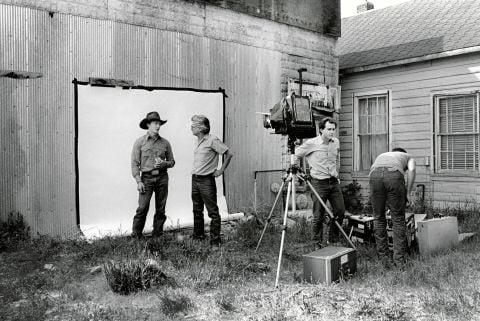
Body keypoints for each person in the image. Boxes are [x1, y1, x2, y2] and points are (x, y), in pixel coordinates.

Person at [295, 117, 344, 246]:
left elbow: (337, 158)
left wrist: (337, 172)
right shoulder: (312, 143)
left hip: (333, 182)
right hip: (318, 183)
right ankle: (317, 243)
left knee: (340, 211)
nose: (332, 132)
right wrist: (298, 171)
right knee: (318, 215)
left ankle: (333, 240)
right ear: (321, 130)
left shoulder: (336, 142)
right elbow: (296, 154)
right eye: (329, 129)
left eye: (333, 129)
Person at [131, 111, 175, 239]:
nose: (158, 126)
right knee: (142, 208)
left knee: (160, 209)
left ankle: (157, 237)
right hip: (147, 179)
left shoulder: (165, 143)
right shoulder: (139, 142)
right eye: (155, 123)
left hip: (162, 178)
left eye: (159, 124)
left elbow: (172, 162)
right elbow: (134, 164)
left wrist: (164, 164)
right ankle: (136, 238)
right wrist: (139, 181)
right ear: (148, 125)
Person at [190, 115, 233, 246]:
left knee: (212, 212)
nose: (191, 127)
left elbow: (229, 153)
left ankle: (215, 241)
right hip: (195, 180)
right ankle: (198, 236)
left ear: (202, 127)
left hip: (206, 181)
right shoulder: (198, 140)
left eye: (194, 125)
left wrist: (221, 170)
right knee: (197, 210)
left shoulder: (212, 140)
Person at [369, 147, 416, 266]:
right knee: (398, 219)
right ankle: (399, 261)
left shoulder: (383, 155)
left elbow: (376, 172)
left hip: (374, 175)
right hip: (393, 176)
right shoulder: (409, 157)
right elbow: (411, 171)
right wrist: (408, 193)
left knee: (378, 218)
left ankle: (384, 258)